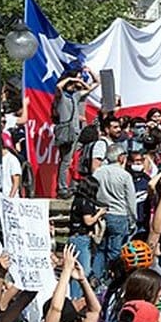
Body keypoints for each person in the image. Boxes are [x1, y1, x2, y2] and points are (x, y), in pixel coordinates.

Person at [92, 143, 138, 285]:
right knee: (115, 251)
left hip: (101, 214)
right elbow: (131, 200)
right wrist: (133, 218)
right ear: (121, 157)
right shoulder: (124, 175)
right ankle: (110, 280)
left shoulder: (98, 173)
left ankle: (96, 277)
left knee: (100, 249)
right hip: (119, 215)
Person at [54, 69, 98, 197]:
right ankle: (62, 188)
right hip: (65, 132)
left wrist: (81, 79)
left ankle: (71, 186)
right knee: (65, 161)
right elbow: (58, 86)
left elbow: (90, 87)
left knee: (73, 160)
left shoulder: (75, 96)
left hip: (75, 132)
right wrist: (70, 79)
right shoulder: (62, 96)